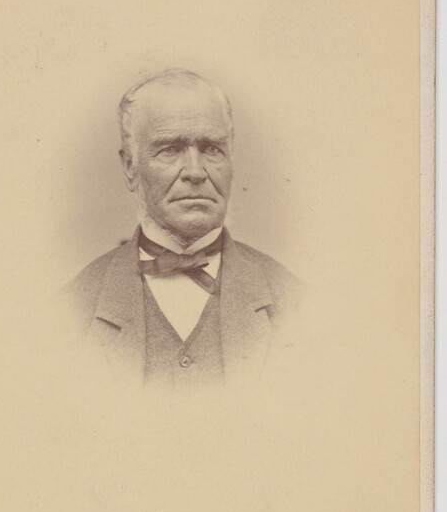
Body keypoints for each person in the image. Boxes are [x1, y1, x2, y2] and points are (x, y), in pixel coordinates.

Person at [66, 69, 300, 387]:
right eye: (170, 149)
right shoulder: (69, 311)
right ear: (130, 168)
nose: (195, 172)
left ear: (231, 160)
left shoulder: (297, 305)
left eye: (211, 149)